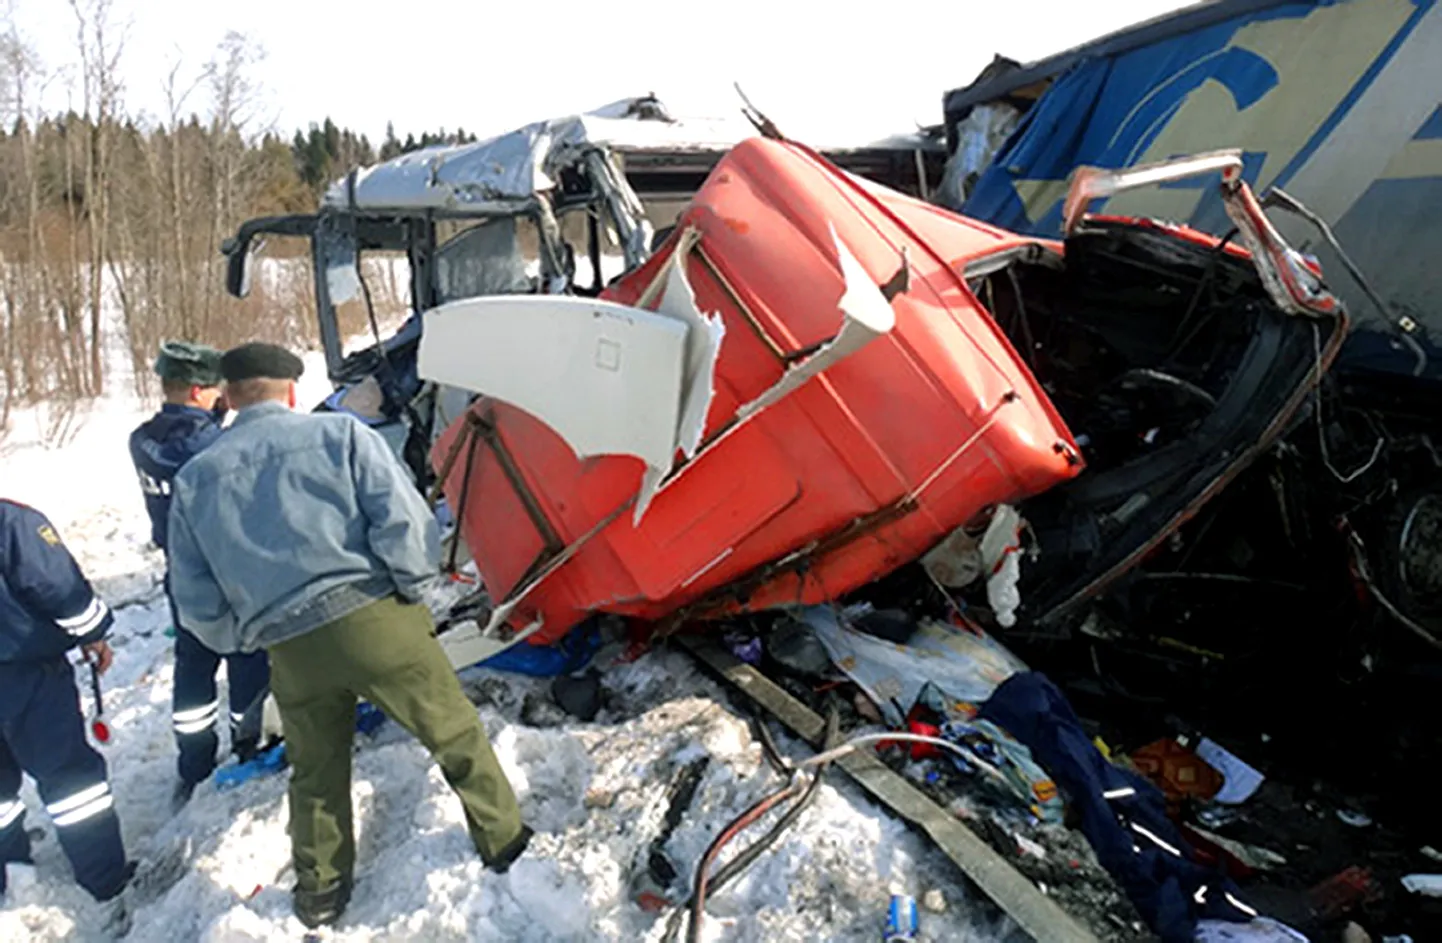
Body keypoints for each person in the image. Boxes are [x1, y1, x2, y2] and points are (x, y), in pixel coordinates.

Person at [166, 342, 530, 929]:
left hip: (290, 646)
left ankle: (321, 893)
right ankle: (504, 840)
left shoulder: (194, 482)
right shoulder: (341, 436)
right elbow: (404, 520)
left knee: (315, 773)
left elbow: (195, 597)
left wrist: (248, 637)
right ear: (289, 391)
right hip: (375, 619)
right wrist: (413, 586)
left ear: (229, 399)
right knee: (453, 732)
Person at [128, 340, 272, 808]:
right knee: (248, 660)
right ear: (197, 390)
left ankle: (193, 765)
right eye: (216, 389)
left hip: (181, 574)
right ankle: (248, 745)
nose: (223, 397)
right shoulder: (220, 445)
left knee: (193, 667)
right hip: (231, 573)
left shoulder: (142, 441)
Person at [0, 499, 133, 911]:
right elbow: (59, 587)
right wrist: (93, 632)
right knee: (71, 779)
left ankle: (8, 869)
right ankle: (104, 879)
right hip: (23, 672)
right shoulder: (12, 522)